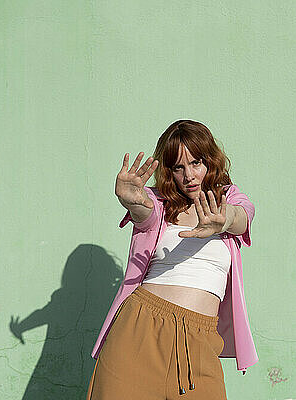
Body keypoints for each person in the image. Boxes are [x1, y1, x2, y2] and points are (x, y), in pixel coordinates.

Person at [87, 120, 258, 399]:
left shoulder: (229, 200)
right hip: (139, 329)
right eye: (178, 167)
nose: (189, 175)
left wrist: (222, 220)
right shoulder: (160, 202)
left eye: (196, 162)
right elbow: (145, 216)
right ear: (169, 171)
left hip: (199, 340)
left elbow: (243, 218)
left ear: (211, 161)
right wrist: (133, 201)